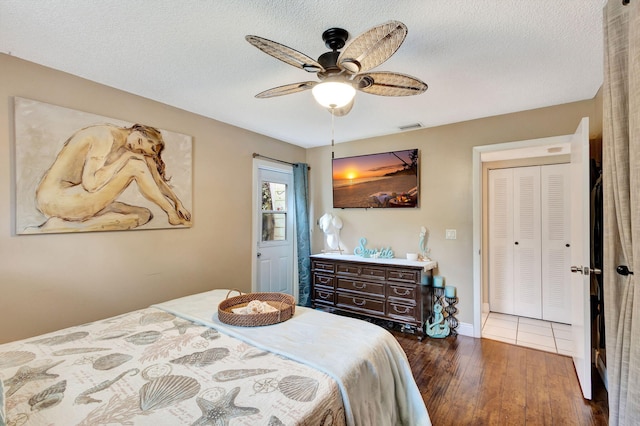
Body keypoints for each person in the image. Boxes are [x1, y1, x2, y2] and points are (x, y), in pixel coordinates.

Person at [32, 123, 191, 232]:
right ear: (137, 129)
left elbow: (156, 181)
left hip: (75, 198)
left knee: (143, 215)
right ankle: (61, 226)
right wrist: (126, 158)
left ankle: (63, 225)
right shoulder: (105, 136)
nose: (136, 148)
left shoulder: (132, 145)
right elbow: (91, 184)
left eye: (142, 151)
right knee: (135, 165)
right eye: (140, 141)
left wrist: (178, 203)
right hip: (55, 199)